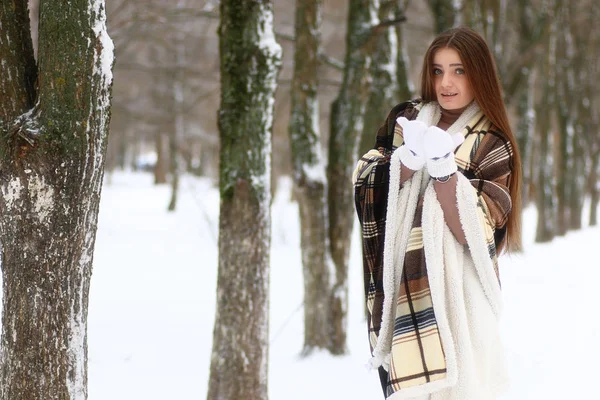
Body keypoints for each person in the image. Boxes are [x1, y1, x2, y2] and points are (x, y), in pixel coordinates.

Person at [352, 26, 522, 400]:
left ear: (480, 74)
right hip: (403, 286)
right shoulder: (406, 120)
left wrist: (446, 172)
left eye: (459, 70)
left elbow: (476, 233)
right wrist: (407, 161)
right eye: (437, 70)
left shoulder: (492, 143)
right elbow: (367, 183)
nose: (446, 82)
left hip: (462, 294)